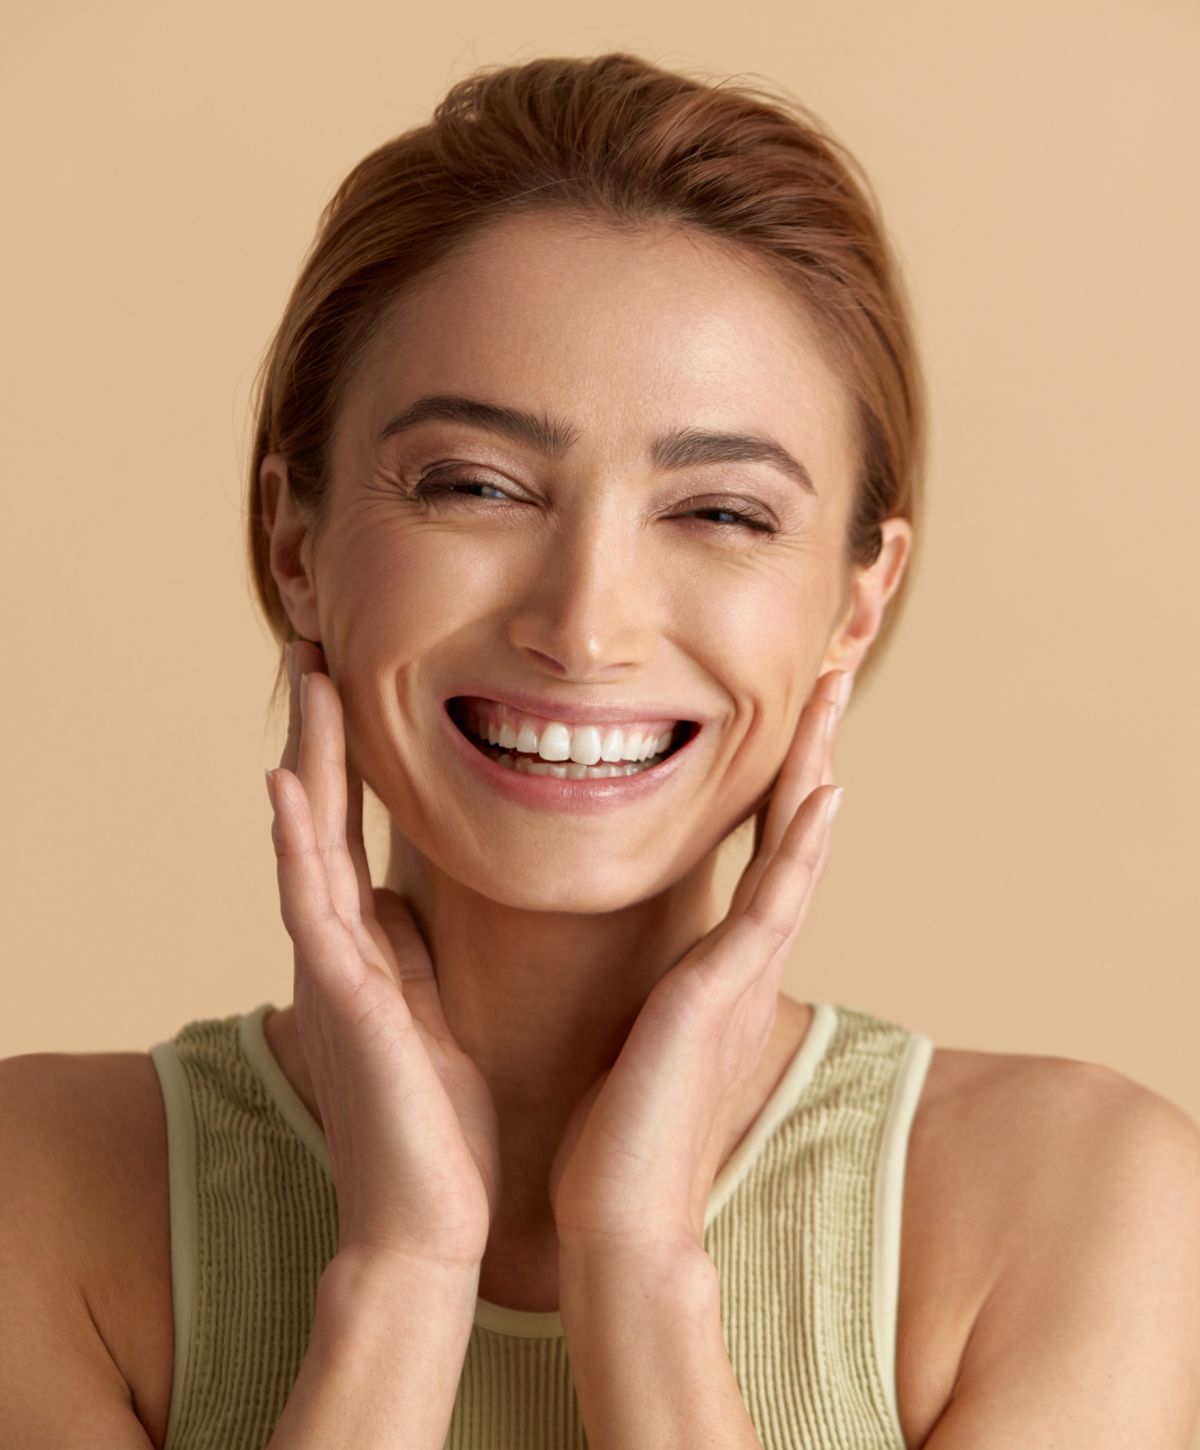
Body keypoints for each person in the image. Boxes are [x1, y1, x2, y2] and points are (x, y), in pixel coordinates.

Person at [2, 50, 1198, 1450]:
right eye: (476, 486)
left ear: (852, 602)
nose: (584, 625)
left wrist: (639, 1260)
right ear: (295, 542)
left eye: (724, 513)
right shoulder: (38, 1195)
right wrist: (402, 1268)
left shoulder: (1076, 1204)